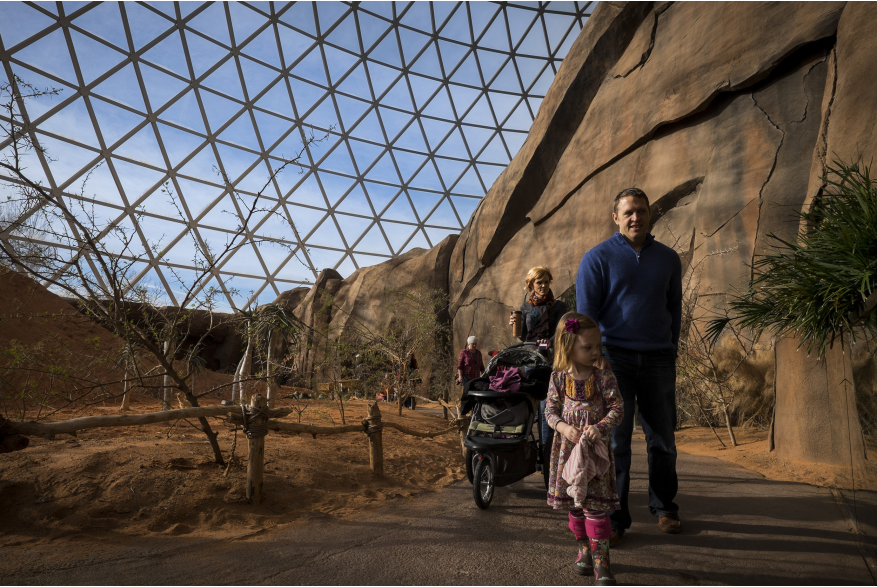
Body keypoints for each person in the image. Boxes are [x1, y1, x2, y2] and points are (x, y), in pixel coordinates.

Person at [576, 187, 683, 545]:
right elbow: (585, 317)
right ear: (616, 218)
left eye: (641, 210)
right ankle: (615, 517)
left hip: (658, 358)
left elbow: (674, 311)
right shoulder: (597, 258)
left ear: (650, 214)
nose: (635, 217)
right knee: (615, 442)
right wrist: (594, 361)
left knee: (663, 438)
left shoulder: (668, 259)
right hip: (613, 360)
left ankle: (665, 506)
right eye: (629, 212)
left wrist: (671, 350)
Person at [545, 312, 623, 585]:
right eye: (586, 347)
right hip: (568, 454)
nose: (594, 352)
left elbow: (618, 409)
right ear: (568, 346)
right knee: (576, 507)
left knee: (596, 508)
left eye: (596, 346)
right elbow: (550, 411)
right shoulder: (557, 377)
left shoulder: (604, 376)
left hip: (595, 455)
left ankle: (602, 562)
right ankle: (584, 549)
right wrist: (564, 428)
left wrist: (600, 427)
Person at [508, 266, 569, 468]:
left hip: (552, 363)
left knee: (546, 410)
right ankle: (522, 452)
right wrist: (515, 328)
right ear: (531, 285)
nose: (543, 286)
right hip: (530, 363)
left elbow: (562, 332)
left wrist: (549, 342)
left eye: (546, 282)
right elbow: (523, 337)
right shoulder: (524, 308)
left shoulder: (560, 307)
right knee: (525, 408)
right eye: (538, 282)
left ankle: (547, 458)